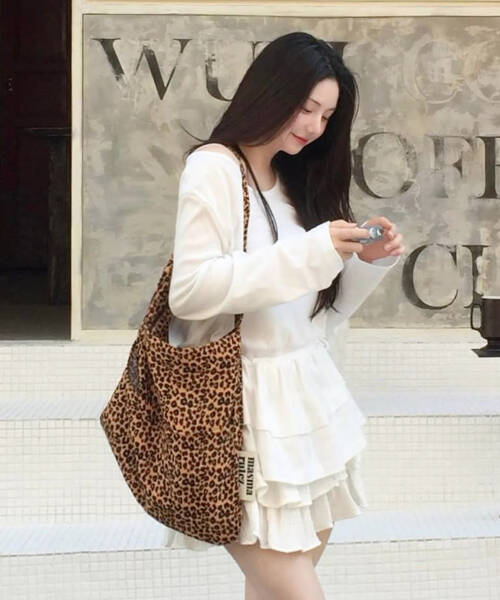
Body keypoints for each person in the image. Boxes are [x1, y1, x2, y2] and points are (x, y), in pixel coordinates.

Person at [165, 31, 405, 600]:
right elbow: (190, 292)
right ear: (271, 93)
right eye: (307, 108)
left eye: (327, 115)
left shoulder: (298, 178)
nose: (315, 126)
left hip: (304, 403)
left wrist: (362, 263)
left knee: (273, 592)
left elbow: (317, 317)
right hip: (236, 409)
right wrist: (314, 252)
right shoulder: (215, 168)